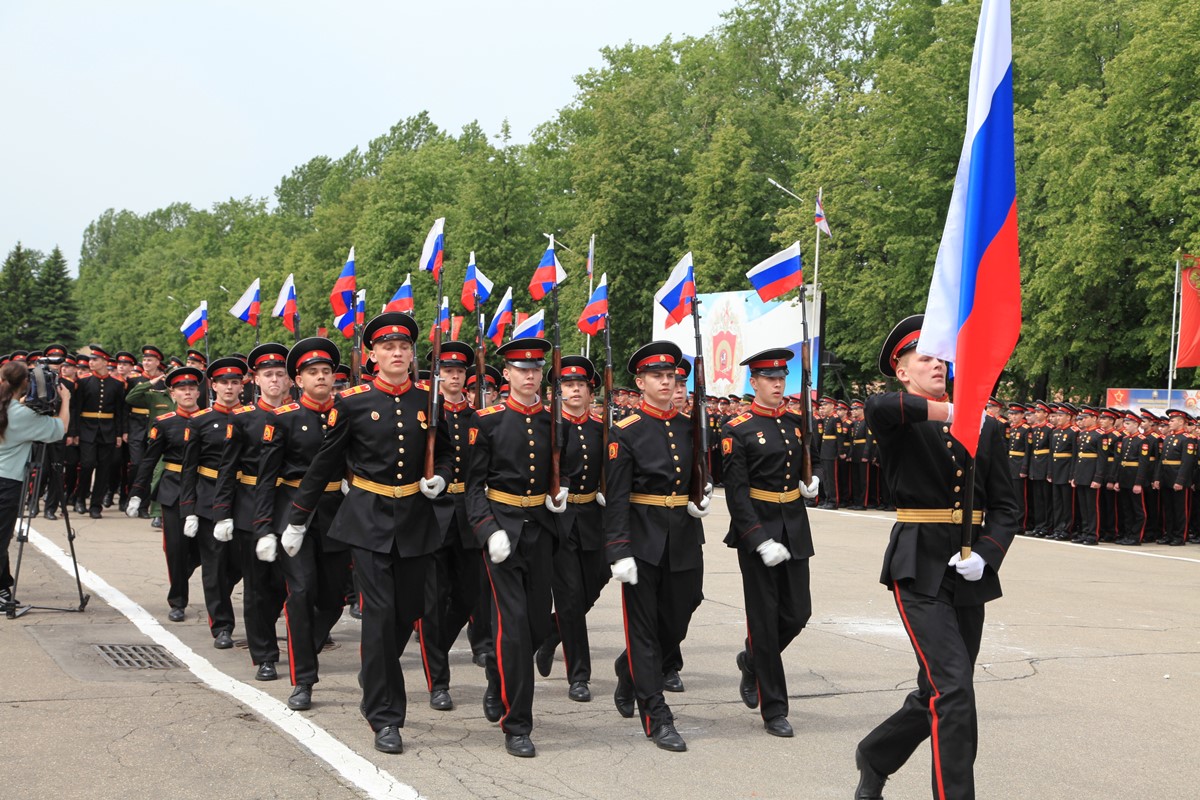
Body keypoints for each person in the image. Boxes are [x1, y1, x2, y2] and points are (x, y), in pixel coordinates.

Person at [854, 315, 1019, 800]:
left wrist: (988, 554)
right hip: (918, 564)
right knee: (954, 691)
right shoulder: (900, 419)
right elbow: (878, 406)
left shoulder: (984, 427)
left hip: (968, 570)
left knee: (939, 690)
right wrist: (955, 413)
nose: (937, 366)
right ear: (902, 372)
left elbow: (1008, 506)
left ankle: (876, 754)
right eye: (924, 359)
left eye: (942, 359)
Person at [285, 312, 451, 755]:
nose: (398, 353)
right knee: (378, 617)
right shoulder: (354, 402)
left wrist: (442, 478)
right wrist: (298, 516)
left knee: (406, 614)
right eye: (388, 347)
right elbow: (325, 462)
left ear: (412, 354)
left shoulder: (428, 401)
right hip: (368, 518)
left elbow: (451, 456)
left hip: (416, 519)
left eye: (404, 347)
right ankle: (385, 716)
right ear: (373, 355)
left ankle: (373, 671)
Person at [463, 337, 569, 758]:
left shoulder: (553, 420)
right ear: (506, 375)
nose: (529, 376)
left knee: (538, 627)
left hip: (540, 529)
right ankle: (518, 724)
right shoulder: (485, 421)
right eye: (521, 370)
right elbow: (474, 487)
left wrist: (561, 497)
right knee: (514, 624)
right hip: (502, 531)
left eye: (535, 369)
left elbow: (568, 471)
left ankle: (496, 672)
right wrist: (488, 530)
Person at [606, 340, 710, 753]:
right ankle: (657, 716)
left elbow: (697, 478)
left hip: (683, 536)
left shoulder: (690, 425)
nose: (667, 382)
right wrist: (618, 550)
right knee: (645, 632)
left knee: (681, 615)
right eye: (658, 376)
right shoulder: (625, 431)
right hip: (641, 540)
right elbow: (616, 497)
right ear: (641, 382)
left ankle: (629, 670)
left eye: (672, 376)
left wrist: (700, 497)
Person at [720, 348, 820, 738]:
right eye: (769, 378)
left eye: (782, 378)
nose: (778, 384)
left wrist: (812, 481)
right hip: (758, 530)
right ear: (754, 383)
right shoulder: (739, 429)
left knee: (797, 613)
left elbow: (812, 460)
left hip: (794, 526)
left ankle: (752, 659)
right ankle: (774, 709)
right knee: (764, 619)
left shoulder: (797, 423)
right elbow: (737, 493)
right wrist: (758, 539)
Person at [255, 338, 351, 709]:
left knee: (333, 599)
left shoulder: (347, 413)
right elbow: (267, 478)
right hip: (292, 512)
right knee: (302, 591)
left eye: (327, 372)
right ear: (299, 379)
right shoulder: (284, 419)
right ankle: (303, 679)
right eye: (313, 372)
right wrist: (264, 526)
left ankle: (304, 644)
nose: (322, 378)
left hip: (335, 512)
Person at [212, 343, 292, 683]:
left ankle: (284, 633)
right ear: (255, 379)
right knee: (258, 585)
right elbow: (227, 469)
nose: (274, 380)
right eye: (267, 374)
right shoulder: (242, 419)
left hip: (289, 505)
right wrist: (223, 513)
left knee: (287, 585)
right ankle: (265, 654)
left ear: (290, 380)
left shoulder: (301, 416)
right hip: (249, 505)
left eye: (280, 374)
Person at [534, 355, 609, 702]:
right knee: (570, 596)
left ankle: (551, 633)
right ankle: (579, 675)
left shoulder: (602, 428)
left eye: (581, 384)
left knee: (594, 586)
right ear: (558, 392)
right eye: (567, 384)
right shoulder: (548, 426)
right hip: (559, 521)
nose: (575, 389)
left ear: (591, 392)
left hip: (594, 517)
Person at [415, 341, 483, 712]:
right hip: (433, 512)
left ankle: (434, 645)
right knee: (433, 601)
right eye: (448, 371)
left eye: (460, 371)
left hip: (469, 513)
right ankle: (438, 681)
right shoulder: (427, 414)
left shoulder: (478, 418)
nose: (454, 376)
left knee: (470, 595)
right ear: (437, 375)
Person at [127, 367, 205, 621]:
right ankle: (178, 601)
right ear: (173, 393)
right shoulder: (165, 422)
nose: (188, 393)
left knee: (204, 549)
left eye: (192, 388)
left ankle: (185, 573)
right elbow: (149, 461)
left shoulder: (211, 419)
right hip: (174, 489)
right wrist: (138, 493)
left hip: (205, 488)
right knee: (176, 548)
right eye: (182, 389)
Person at [179, 357, 247, 648]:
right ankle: (222, 625)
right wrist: (189, 509)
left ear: (242, 385)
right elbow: (188, 468)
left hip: (246, 497)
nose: (229, 387)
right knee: (215, 565)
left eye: (234, 382)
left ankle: (225, 597)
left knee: (239, 565)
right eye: (223, 382)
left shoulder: (253, 416)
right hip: (209, 498)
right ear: (214, 386)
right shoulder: (200, 421)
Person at [0, 362, 71, 609]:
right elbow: (59, 429)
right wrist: (66, 400)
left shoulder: (12, 409)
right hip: (7, 481)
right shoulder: (21, 415)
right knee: (1, 537)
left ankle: (2, 586)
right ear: (26, 385)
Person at [71, 345, 125, 518]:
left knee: (104, 468)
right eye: (90, 359)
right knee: (87, 465)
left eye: (95, 360)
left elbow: (119, 411)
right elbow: (76, 408)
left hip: (108, 430)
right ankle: (80, 498)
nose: (91, 362)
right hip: (87, 429)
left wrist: (118, 433)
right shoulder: (84, 381)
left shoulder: (116, 384)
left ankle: (96, 505)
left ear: (104, 362)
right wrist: (75, 432)